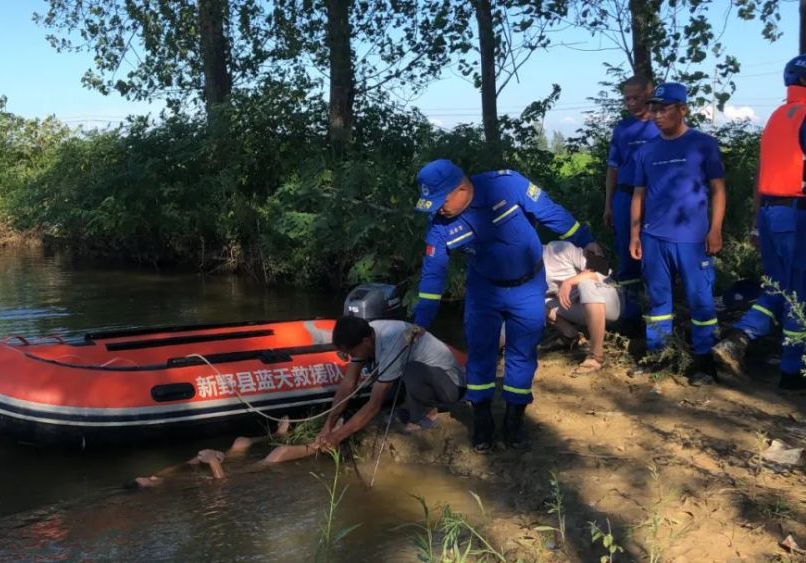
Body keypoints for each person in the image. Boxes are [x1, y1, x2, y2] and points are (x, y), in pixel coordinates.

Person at [411, 159, 596, 452]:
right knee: (481, 354)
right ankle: (482, 421)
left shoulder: (506, 185)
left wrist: (585, 240)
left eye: (440, 201)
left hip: (527, 286)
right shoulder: (439, 226)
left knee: (522, 354)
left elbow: (549, 212)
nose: (437, 209)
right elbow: (434, 275)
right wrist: (421, 320)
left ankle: (514, 422)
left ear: (461, 188)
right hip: (484, 293)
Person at [712, 56, 806, 390]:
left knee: (777, 287)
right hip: (797, 214)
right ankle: (792, 372)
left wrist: (755, 223)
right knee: (799, 293)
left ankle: (735, 340)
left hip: (770, 214)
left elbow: (761, 173)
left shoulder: (778, 117)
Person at [629, 82, 726, 386]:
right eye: (654, 109)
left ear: (682, 109)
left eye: (664, 109)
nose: (657, 115)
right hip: (653, 238)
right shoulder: (647, 150)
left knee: (701, 302)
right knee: (658, 301)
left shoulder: (703, 144)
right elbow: (639, 194)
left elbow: (718, 189)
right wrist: (635, 235)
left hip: (693, 240)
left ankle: (704, 362)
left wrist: (715, 229)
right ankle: (659, 356)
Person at [315, 316, 465, 449]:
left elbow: (374, 405)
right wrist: (328, 425)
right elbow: (348, 384)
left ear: (365, 341)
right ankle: (414, 407)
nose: (350, 357)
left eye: (352, 353)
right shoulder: (367, 334)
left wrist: (338, 436)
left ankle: (427, 415)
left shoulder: (391, 341)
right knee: (391, 378)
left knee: (410, 370)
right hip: (429, 378)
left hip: (450, 386)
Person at [128, 416, 323, 487]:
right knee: (280, 453)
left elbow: (187, 464)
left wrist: (203, 456)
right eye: (150, 482)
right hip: (236, 474)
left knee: (240, 442)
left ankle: (277, 433)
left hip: (220, 465)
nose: (153, 478)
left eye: (149, 477)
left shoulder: (162, 476)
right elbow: (221, 485)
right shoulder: (175, 492)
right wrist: (213, 462)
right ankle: (324, 444)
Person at [604, 76, 660, 319]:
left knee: (655, 251)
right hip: (625, 197)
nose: (631, 102)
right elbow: (613, 168)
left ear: (650, 94)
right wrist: (608, 204)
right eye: (626, 98)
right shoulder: (623, 128)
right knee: (627, 252)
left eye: (636, 97)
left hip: (656, 198)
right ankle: (630, 311)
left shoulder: (661, 124)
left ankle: (659, 307)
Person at [542, 241, 622, 374]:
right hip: (581, 309)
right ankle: (572, 337)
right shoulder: (522, 272)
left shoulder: (558, 249)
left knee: (586, 284)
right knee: (533, 302)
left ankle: (596, 356)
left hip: (611, 301)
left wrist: (569, 282)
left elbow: (603, 272)